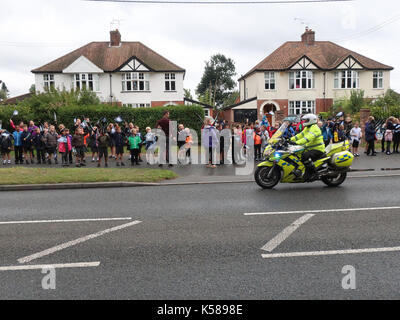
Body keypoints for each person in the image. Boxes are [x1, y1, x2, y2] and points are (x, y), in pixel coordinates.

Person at [290, 114, 325, 181]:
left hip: (318, 149)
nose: (304, 121)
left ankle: (313, 173)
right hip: (310, 148)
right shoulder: (308, 127)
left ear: (311, 120)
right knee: (297, 154)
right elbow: (300, 135)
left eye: (306, 120)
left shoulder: (315, 128)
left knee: (305, 156)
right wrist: (290, 139)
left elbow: (307, 138)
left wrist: (297, 143)